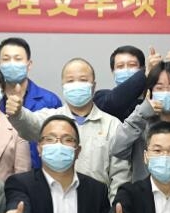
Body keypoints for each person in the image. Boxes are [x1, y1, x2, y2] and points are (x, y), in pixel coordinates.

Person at [7, 58, 131, 200]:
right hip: (52, 202)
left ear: (94, 85)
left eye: (83, 80)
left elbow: (120, 175)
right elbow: (29, 125)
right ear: (63, 86)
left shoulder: (112, 125)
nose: (76, 85)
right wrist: (18, 113)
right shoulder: (51, 119)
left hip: (97, 205)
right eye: (70, 81)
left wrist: (115, 208)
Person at [111, 62, 170, 190]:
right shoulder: (141, 123)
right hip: (142, 197)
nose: (166, 93)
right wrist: (141, 113)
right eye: (160, 88)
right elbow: (117, 148)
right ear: (150, 91)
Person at [0, 36, 62, 170]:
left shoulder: (49, 101)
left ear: (29, 64)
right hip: (1, 176)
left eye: (18, 59)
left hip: (42, 175)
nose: (12, 64)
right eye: (6, 59)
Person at [93, 43, 170, 121]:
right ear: (113, 71)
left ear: (142, 68)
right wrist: (146, 73)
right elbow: (114, 104)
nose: (126, 70)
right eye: (120, 66)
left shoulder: (157, 96)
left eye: (132, 65)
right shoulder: (102, 97)